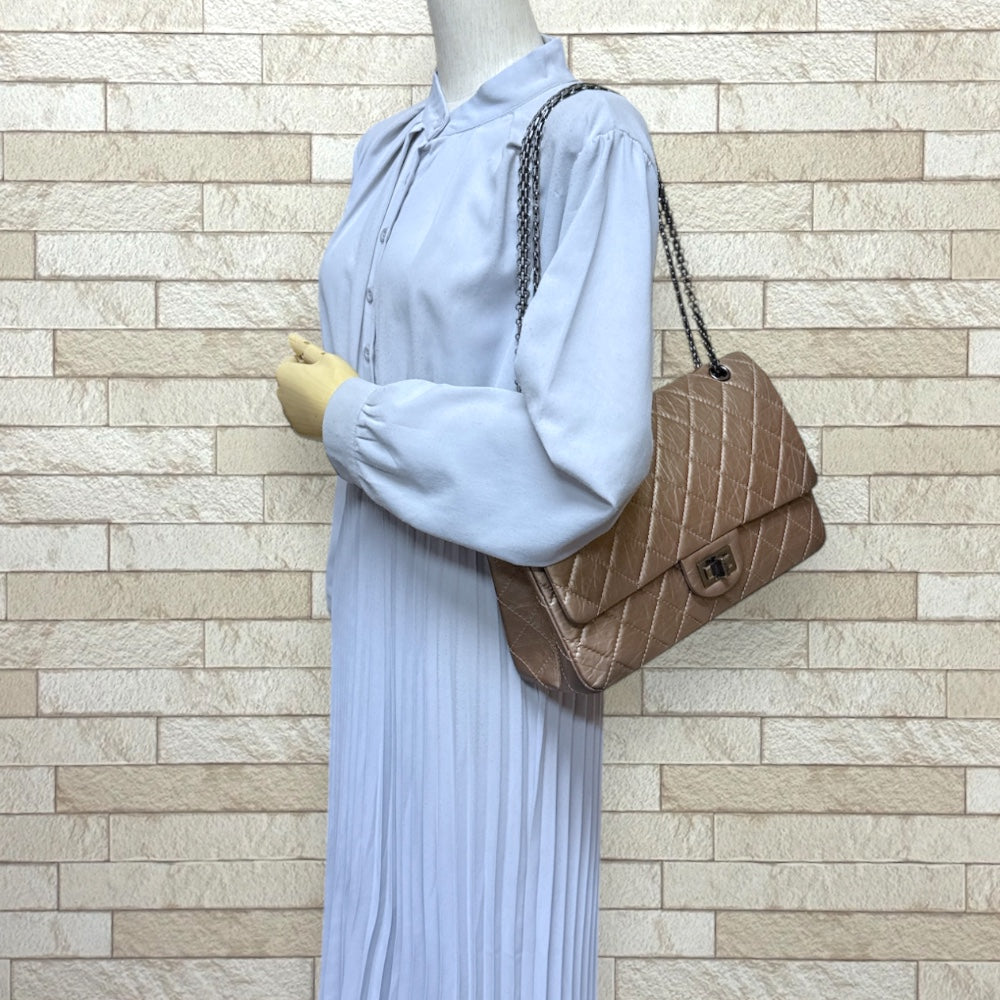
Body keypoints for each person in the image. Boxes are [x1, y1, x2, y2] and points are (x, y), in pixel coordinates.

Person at [274, 1, 661, 995]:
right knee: (385, 920)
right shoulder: (388, 150)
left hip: (502, 640)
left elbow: (587, 455)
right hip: (380, 617)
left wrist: (350, 416)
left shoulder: (587, 137)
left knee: (489, 937)